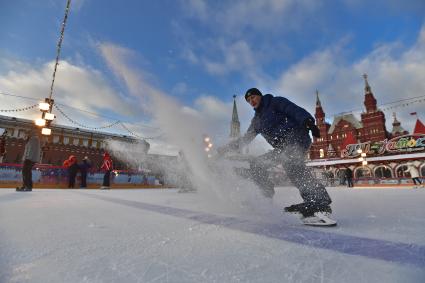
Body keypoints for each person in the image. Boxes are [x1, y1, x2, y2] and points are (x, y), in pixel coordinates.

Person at [217, 88, 336, 226]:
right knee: (257, 164)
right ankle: (265, 197)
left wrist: (308, 122)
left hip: (296, 138)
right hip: (282, 148)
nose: (252, 101)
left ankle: (319, 203)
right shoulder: (257, 121)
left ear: (260, 96)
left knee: (293, 165)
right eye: (249, 100)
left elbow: (294, 110)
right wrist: (226, 148)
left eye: (253, 97)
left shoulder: (275, 102)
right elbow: (245, 139)